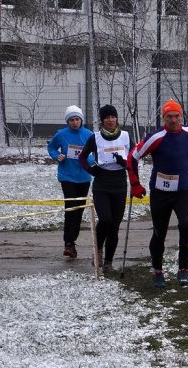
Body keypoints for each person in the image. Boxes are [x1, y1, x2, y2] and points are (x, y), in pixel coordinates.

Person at [127, 99, 188, 288]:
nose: (173, 120)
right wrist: (135, 183)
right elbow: (132, 157)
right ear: (163, 118)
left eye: (176, 116)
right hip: (160, 191)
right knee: (159, 232)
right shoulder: (156, 137)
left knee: (187, 225)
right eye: (169, 116)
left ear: (181, 116)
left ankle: (183, 268)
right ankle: (157, 270)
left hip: (182, 190)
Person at [78, 104, 133, 274]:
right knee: (106, 220)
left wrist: (126, 163)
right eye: (107, 117)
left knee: (115, 225)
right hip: (102, 183)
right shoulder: (95, 138)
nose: (110, 120)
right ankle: (98, 249)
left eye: (113, 117)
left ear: (117, 119)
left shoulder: (125, 136)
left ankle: (109, 261)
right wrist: (91, 170)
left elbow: (134, 157)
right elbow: (82, 158)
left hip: (119, 183)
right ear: (102, 121)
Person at [47, 105, 93, 259]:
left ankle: (72, 241)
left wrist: (88, 160)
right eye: (71, 120)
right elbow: (51, 147)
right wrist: (57, 156)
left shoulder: (89, 135)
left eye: (77, 119)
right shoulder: (61, 134)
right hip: (67, 176)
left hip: (84, 177)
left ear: (81, 120)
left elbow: (96, 153)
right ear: (68, 121)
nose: (74, 122)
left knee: (79, 210)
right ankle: (68, 243)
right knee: (71, 208)